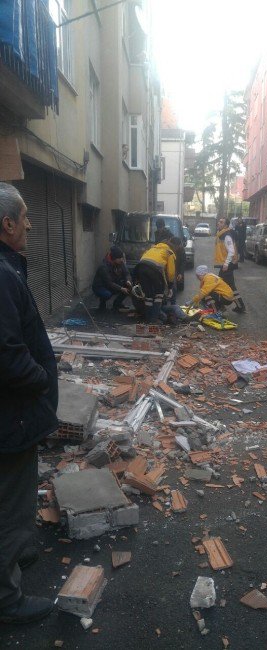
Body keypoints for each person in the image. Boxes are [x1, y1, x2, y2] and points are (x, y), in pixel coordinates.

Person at [0, 182, 58, 623]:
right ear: (7, 224)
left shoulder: (8, 268)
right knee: (10, 502)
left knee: (14, 498)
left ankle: (17, 554)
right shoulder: (2, 274)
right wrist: (41, 380)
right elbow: (8, 355)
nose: (30, 225)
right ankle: (6, 599)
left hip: (13, 415)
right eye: (25, 218)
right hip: (11, 416)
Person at [134, 239, 177, 323]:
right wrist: (170, 286)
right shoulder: (169, 252)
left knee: (148, 297)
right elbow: (171, 272)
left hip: (140, 268)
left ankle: (147, 320)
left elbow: (142, 260)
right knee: (159, 296)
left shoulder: (151, 249)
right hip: (154, 270)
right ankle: (153, 321)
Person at [214, 217, 245, 313]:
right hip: (226, 265)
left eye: (221, 222)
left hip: (227, 265)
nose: (219, 223)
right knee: (229, 286)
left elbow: (231, 251)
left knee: (221, 285)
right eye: (219, 221)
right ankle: (239, 306)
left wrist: (226, 264)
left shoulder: (226, 235)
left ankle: (220, 306)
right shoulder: (221, 234)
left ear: (226, 225)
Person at [92, 246, 132, 312]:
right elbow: (108, 283)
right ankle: (102, 304)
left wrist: (128, 281)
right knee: (107, 294)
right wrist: (121, 288)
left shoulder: (120, 263)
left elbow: (127, 273)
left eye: (122, 257)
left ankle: (117, 304)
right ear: (114, 258)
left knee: (128, 287)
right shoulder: (103, 267)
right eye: (119, 258)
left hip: (113, 283)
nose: (122, 259)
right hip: (100, 286)